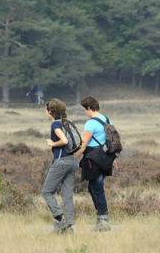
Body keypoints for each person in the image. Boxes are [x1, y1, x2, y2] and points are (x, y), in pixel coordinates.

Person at [74, 95, 116, 232]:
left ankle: (103, 220)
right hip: (106, 158)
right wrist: (113, 159)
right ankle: (100, 218)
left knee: (97, 188)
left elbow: (84, 143)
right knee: (93, 188)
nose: (85, 113)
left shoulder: (91, 123)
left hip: (93, 158)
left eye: (84, 110)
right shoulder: (107, 119)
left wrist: (75, 156)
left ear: (89, 108)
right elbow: (111, 142)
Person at [42, 98, 79, 235]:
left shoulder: (55, 125)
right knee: (67, 194)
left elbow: (64, 140)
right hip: (73, 161)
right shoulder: (67, 123)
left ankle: (60, 219)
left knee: (46, 191)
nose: (46, 113)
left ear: (51, 111)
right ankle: (69, 225)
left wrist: (53, 144)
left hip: (61, 161)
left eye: (46, 111)